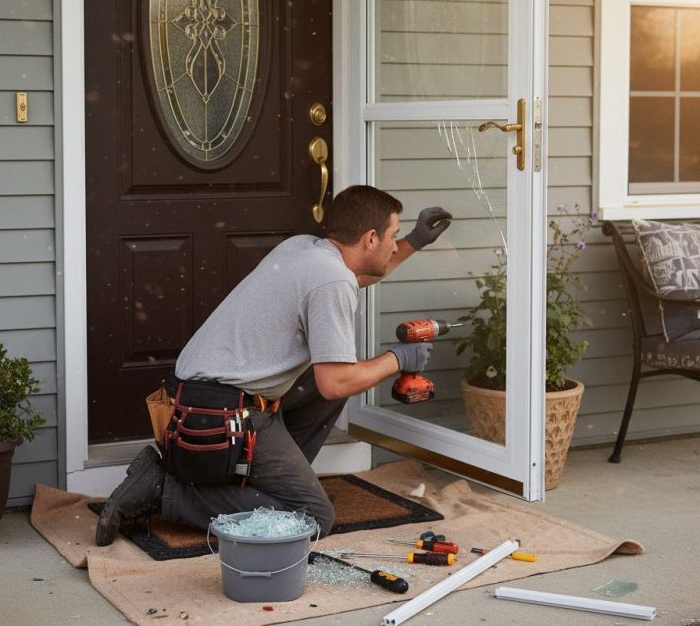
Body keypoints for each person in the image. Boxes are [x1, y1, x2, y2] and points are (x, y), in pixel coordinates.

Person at [96, 185, 451, 546]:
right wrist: (397, 359)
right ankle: (163, 491)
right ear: (370, 238)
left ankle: (272, 480)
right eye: (393, 235)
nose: (395, 244)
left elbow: (365, 271)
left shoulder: (303, 248)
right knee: (311, 518)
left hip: (193, 398)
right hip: (222, 414)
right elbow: (335, 382)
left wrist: (416, 240)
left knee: (335, 381)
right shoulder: (331, 280)